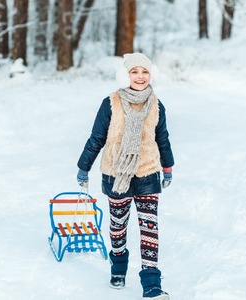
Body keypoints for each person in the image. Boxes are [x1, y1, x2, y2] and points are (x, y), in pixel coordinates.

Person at [76, 53, 174, 300]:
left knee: (149, 228)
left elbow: (162, 138)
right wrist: (83, 166)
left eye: (144, 72)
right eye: (134, 72)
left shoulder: (157, 105)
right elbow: (97, 137)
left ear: (151, 75)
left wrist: (168, 167)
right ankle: (118, 268)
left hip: (147, 173)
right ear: (125, 75)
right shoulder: (111, 102)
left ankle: (151, 284)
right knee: (118, 226)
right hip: (116, 173)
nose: (140, 77)